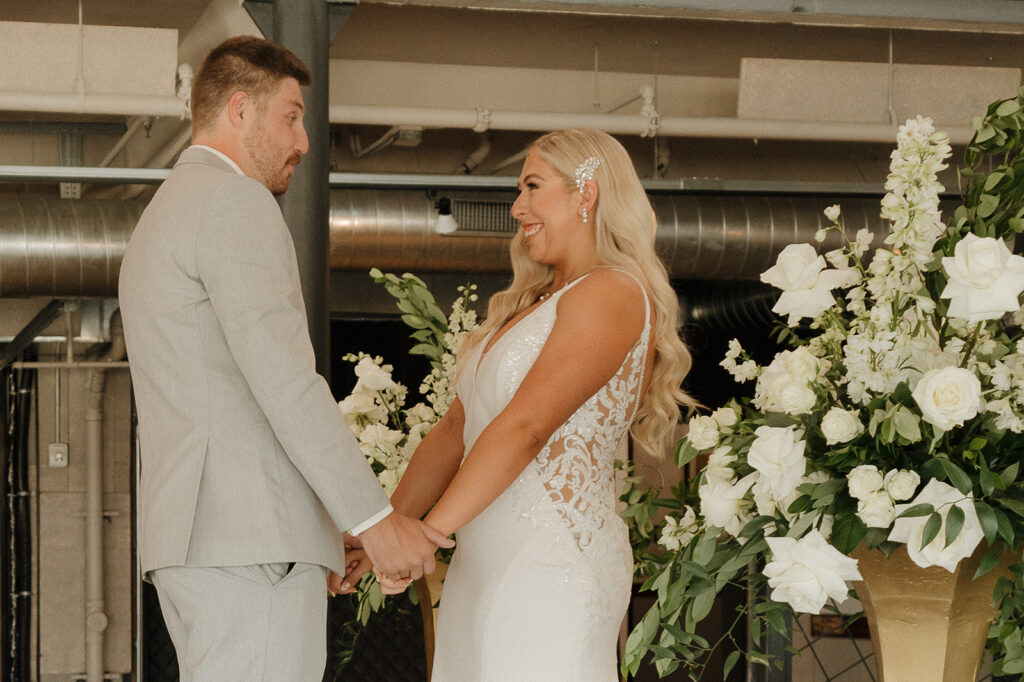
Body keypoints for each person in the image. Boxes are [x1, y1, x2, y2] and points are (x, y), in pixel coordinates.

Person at [118, 36, 450, 681]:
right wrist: (375, 521)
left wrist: (327, 525)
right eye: (291, 117)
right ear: (240, 110)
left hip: (198, 543)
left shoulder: (162, 215)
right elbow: (286, 384)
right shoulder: (232, 201)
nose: (302, 142)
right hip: (252, 543)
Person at [331, 128, 696, 680]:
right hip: (485, 557)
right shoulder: (530, 304)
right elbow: (456, 429)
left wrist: (426, 538)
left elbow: (526, 426)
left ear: (586, 193)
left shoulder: (612, 292)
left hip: (548, 561)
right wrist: (386, 528)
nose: (516, 207)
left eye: (531, 186)